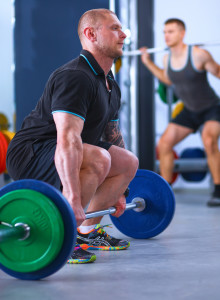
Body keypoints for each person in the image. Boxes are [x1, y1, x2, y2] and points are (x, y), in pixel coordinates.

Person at [6, 8, 139, 264]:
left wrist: (120, 191)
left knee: (128, 162)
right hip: (31, 153)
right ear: (91, 34)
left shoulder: (109, 82)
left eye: (122, 29)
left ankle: (87, 231)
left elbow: (112, 135)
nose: (123, 34)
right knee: (99, 159)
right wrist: (73, 197)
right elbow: (67, 138)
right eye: (114, 28)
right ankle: (64, 236)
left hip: (70, 149)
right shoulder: (75, 76)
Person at [140, 18, 220, 206]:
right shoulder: (167, 58)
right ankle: (166, 189)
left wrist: (210, 60)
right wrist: (147, 62)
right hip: (189, 110)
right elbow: (168, 80)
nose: (167, 35)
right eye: (165, 32)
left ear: (182, 33)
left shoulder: (199, 54)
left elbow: (217, 72)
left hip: (211, 109)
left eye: (171, 31)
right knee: (164, 143)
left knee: (209, 141)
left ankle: (218, 190)